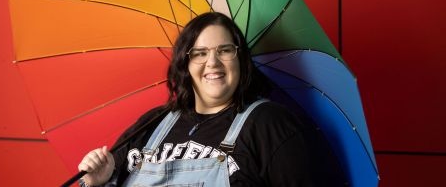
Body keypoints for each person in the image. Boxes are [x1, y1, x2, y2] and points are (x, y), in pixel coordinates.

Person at [77, 12, 347, 186]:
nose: (213, 62)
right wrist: (96, 182)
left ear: (240, 59)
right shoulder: (152, 125)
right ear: (186, 62)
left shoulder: (269, 125)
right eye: (200, 52)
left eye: (225, 50)